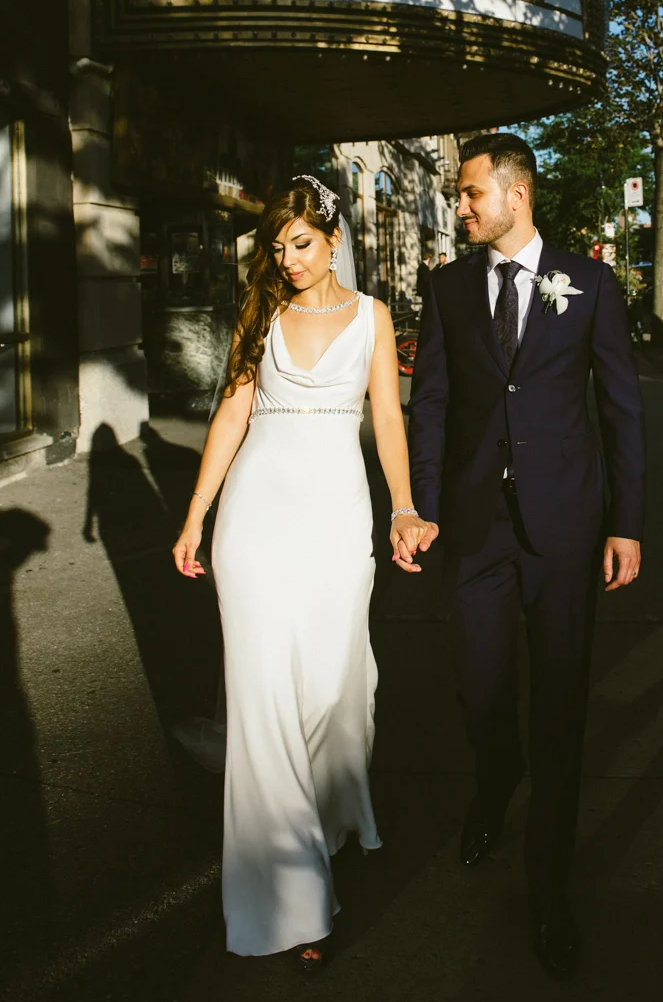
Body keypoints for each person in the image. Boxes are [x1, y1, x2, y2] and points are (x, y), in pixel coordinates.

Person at [172, 174, 436, 970]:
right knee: (263, 703)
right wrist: (196, 516)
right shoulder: (261, 311)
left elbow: (388, 416)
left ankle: (328, 817)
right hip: (255, 520)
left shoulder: (374, 319)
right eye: (278, 247)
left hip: (336, 521)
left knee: (330, 689)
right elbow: (231, 413)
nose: (287, 260)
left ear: (334, 242)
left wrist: (402, 506)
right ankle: (292, 900)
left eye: (302, 244)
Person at [407, 133, 645, 978]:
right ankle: (494, 770)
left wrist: (628, 522)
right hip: (475, 527)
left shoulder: (589, 281)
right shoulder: (446, 289)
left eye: (470, 193)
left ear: (516, 194)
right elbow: (429, 404)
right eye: (459, 194)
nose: (460, 206)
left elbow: (620, 408)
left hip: (566, 527)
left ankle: (550, 890)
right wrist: (419, 506)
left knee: (561, 709)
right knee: (478, 687)